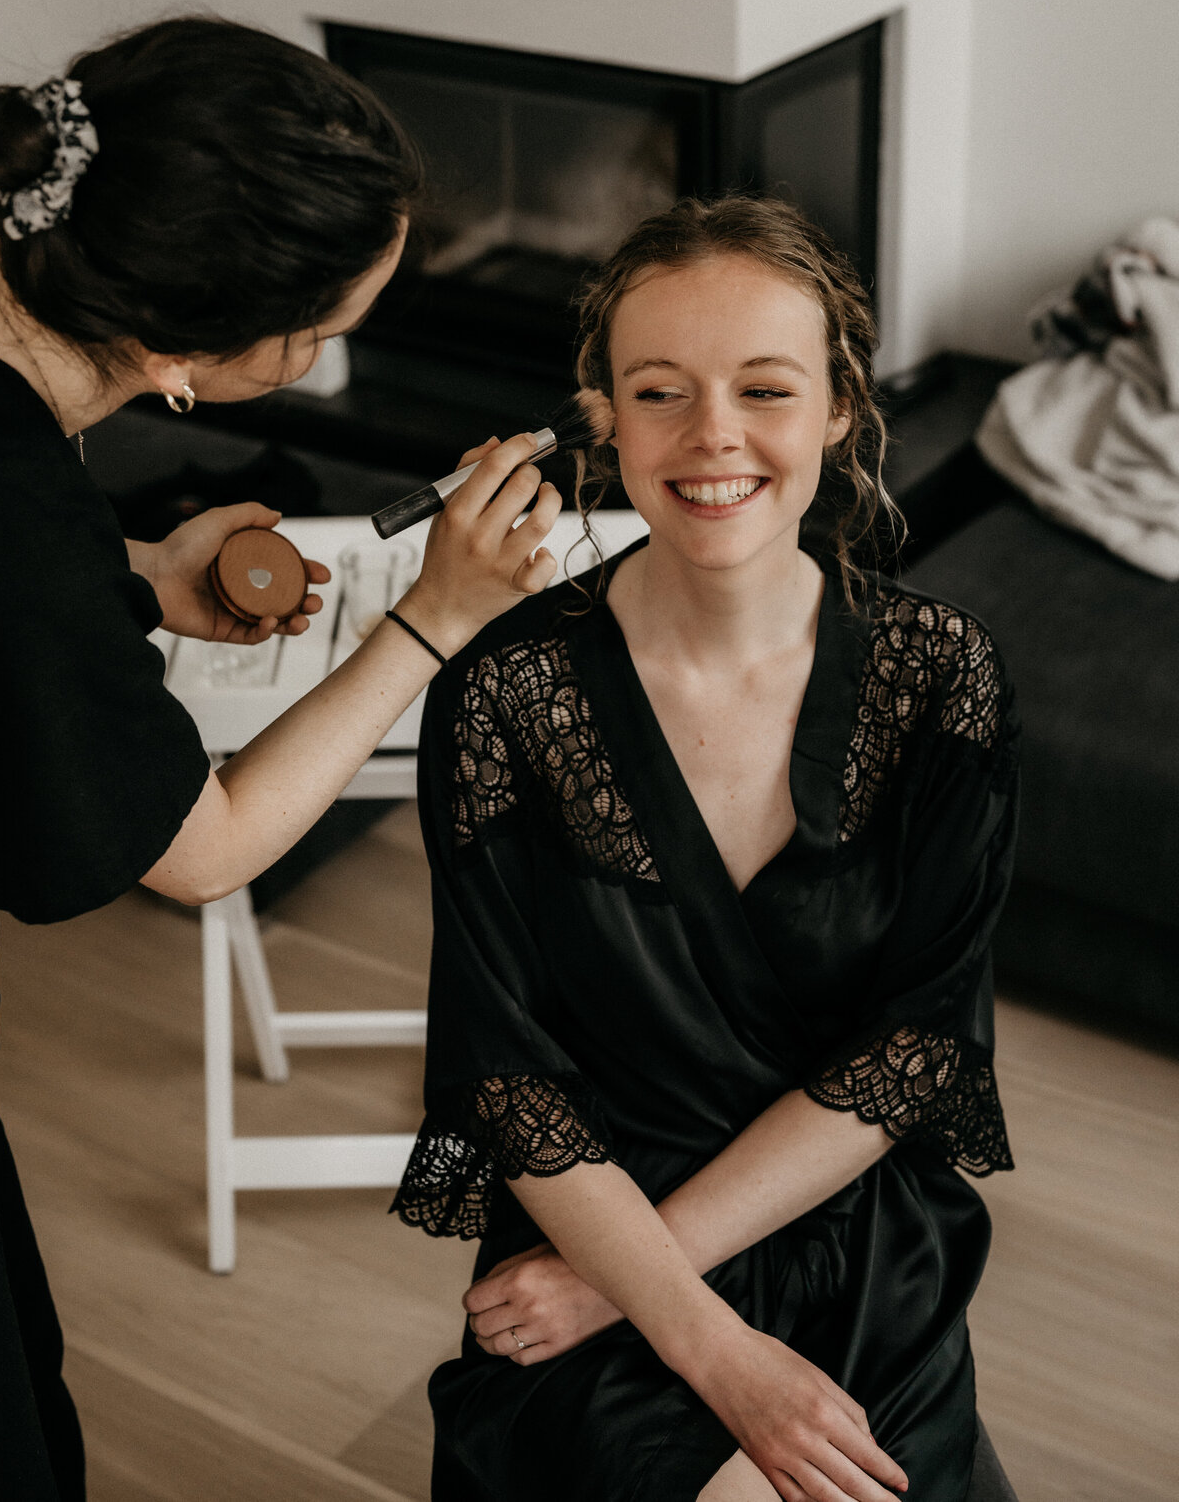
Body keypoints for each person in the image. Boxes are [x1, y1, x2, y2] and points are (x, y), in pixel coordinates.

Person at [0, 16, 563, 1500]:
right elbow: (211, 849)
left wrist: (125, 571)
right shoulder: (9, 512)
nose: (335, 356)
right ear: (180, 357)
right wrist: (431, 623)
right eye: (318, 334)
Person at [393, 195, 1020, 1502]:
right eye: (661, 390)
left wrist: (624, 1292)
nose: (714, 435)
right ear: (604, 414)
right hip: (589, 1217)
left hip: (843, 1237)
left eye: (766, 388)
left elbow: (916, 1052)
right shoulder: (503, 694)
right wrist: (709, 1345)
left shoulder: (942, 678)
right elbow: (509, 1082)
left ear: (840, 406)